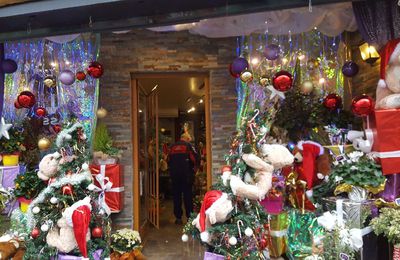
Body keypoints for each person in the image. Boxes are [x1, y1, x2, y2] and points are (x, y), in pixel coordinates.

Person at [168, 132, 198, 224]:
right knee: (188, 196)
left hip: (175, 175)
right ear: (187, 139)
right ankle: (189, 218)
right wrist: (194, 171)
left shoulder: (172, 147)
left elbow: (168, 160)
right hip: (186, 176)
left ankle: (178, 218)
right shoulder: (189, 146)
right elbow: (195, 159)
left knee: (176, 196)